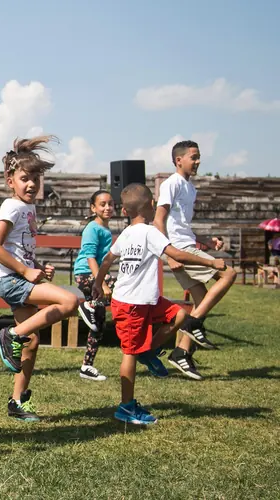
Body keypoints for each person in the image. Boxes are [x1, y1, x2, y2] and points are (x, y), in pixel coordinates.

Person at [93, 183, 226, 424]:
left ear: (124, 211)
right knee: (129, 353)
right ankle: (126, 407)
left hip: (147, 300)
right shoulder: (148, 231)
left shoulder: (127, 233)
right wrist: (211, 263)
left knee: (180, 316)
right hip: (131, 303)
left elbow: (107, 260)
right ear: (151, 205)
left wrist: (99, 282)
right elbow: (175, 254)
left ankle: (150, 351)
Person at [0, 136, 80, 422]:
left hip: (21, 277)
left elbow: (20, 248)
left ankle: (17, 401)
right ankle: (9, 335)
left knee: (33, 341)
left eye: (36, 180)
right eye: (24, 178)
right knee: (70, 301)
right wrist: (26, 272)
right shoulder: (11, 207)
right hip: (13, 281)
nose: (31, 185)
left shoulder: (28, 208)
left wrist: (37, 265)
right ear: (10, 180)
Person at [154, 140, 237, 380]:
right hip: (179, 251)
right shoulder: (172, 184)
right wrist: (168, 254)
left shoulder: (190, 188)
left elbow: (181, 226)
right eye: (194, 157)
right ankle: (192, 324)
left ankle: (181, 352)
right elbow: (159, 220)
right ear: (178, 160)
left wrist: (207, 241)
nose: (198, 161)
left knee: (201, 300)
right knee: (228, 274)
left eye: (199, 157)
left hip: (186, 244)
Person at [73, 190, 116, 381]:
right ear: (93, 208)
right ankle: (86, 305)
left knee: (98, 324)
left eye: (111, 204)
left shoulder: (106, 229)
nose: (107, 208)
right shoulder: (92, 228)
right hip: (86, 275)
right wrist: (102, 283)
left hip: (96, 276)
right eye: (103, 204)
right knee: (123, 285)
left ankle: (86, 366)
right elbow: (90, 256)